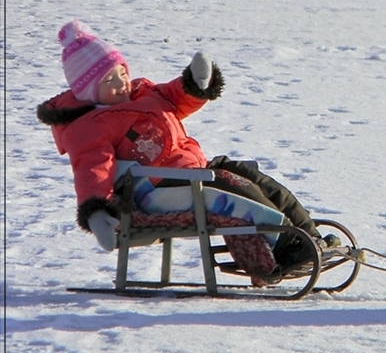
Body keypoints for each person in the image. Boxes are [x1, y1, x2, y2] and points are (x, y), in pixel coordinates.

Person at [37, 19, 334, 269]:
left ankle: (309, 235)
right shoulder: (90, 125)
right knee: (238, 190)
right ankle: (286, 247)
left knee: (255, 178)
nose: (121, 84)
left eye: (122, 72)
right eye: (109, 81)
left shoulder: (143, 94)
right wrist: (95, 210)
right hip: (160, 187)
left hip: (194, 170)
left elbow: (174, 96)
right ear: (88, 91)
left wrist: (195, 83)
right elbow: (92, 167)